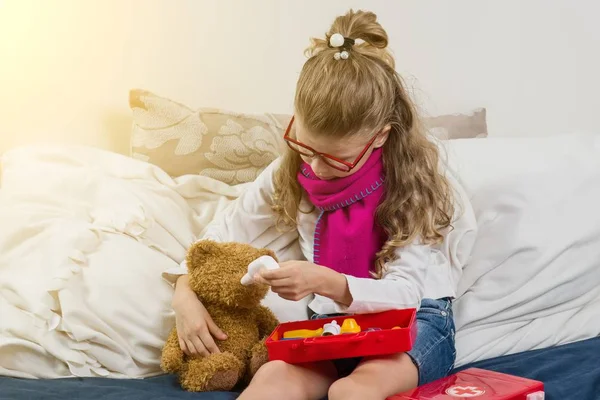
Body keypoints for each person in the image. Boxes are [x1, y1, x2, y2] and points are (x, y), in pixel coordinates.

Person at [168, 9, 477, 400]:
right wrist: (184, 294)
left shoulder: (411, 186)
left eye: (334, 158)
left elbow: (407, 292)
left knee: (353, 392)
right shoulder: (291, 171)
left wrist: (323, 281)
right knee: (270, 383)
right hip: (331, 324)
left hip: (413, 323)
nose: (314, 166)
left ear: (380, 137)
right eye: (304, 146)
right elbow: (219, 237)